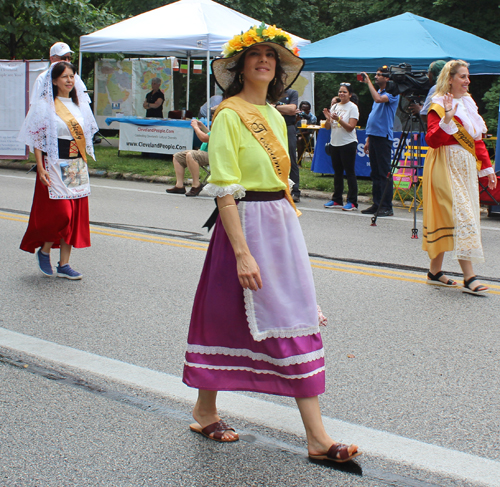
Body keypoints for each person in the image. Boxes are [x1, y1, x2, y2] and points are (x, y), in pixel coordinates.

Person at [182, 23, 360, 463]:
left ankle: (208, 410)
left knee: (275, 315)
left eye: (271, 56)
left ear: (278, 69)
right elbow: (224, 188)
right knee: (230, 317)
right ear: (241, 65)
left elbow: (281, 183)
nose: (264, 60)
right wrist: (241, 251)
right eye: (255, 55)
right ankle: (313, 437)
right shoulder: (229, 114)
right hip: (244, 223)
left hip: (279, 222)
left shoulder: (278, 117)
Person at [18, 62, 98, 279]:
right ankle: (44, 251)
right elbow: (36, 137)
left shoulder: (79, 105)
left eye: (72, 76)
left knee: (73, 217)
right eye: (64, 76)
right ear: (54, 81)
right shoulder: (46, 105)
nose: (69, 80)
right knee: (62, 214)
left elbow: (86, 135)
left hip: (76, 165)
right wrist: (40, 166)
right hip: (55, 163)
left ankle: (64, 264)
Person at [423, 60, 497, 295]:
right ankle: (469, 276)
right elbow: (432, 140)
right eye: (463, 77)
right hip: (444, 165)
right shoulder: (438, 104)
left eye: (467, 76)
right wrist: (446, 119)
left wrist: (488, 169)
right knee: (463, 216)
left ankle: (434, 272)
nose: (468, 81)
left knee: (453, 217)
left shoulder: (468, 103)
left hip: (465, 167)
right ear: (450, 79)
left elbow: (476, 141)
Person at [359, 67, 399, 217]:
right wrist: (368, 138)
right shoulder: (380, 92)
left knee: (384, 173)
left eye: (378, 75)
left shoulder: (392, 93)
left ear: (387, 78)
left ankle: (387, 206)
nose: (375, 77)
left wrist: (368, 81)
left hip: (383, 137)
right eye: (374, 75)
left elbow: (378, 99)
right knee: (375, 173)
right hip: (374, 136)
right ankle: (377, 203)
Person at [322, 83, 360, 211]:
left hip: (348, 143)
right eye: (340, 91)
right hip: (335, 143)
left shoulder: (352, 107)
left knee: (349, 173)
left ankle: (352, 201)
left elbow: (350, 127)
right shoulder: (335, 106)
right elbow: (328, 127)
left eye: (344, 92)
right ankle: (337, 199)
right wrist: (328, 119)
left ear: (350, 94)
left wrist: (338, 119)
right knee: (337, 173)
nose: (341, 94)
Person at [166, 119, 210, 197]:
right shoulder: (219, 122)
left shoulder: (223, 124)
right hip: (204, 152)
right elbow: (210, 135)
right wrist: (202, 127)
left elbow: (204, 138)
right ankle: (179, 186)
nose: (213, 115)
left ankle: (196, 184)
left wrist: (196, 127)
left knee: (191, 154)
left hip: (214, 154)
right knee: (178, 156)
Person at [274, 88, 301, 203]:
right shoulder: (271, 92)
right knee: (273, 157)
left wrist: (275, 107)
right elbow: (265, 108)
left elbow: (292, 109)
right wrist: (284, 109)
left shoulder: (292, 92)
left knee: (291, 158)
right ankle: (276, 188)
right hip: (273, 127)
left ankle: (295, 191)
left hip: (289, 126)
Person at [408, 60, 446, 124]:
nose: (428, 76)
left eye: (429, 72)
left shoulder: (436, 88)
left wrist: (419, 109)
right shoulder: (453, 87)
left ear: (434, 74)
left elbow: (425, 116)